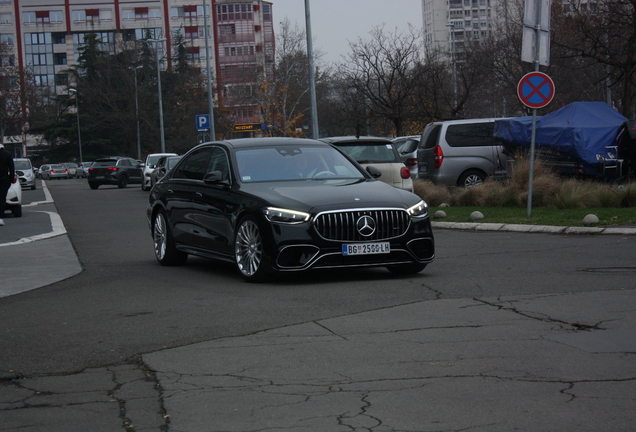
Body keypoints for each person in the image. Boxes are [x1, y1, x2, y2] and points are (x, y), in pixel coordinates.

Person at [0, 143, 15, 226]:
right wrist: (11, 179)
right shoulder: (7, 154)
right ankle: (0, 218)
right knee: (2, 199)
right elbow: (11, 168)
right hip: (3, 180)